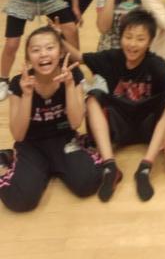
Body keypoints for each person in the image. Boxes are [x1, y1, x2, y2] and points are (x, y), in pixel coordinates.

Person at [62, 8, 165, 202]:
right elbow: (78, 57)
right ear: (120, 37)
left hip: (148, 126)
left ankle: (145, 167)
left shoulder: (154, 63)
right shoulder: (112, 57)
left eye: (140, 39)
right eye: (128, 37)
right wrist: (58, 38)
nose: (133, 44)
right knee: (93, 98)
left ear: (149, 42)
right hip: (119, 124)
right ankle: (110, 166)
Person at [0, 26, 101, 212]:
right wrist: (27, 95)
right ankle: (11, 158)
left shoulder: (73, 75)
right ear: (28, 58)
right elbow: (18, 135)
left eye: (49, 48)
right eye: (36, 50)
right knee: (19, 200)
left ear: (61, 52)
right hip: (32, 144)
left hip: (64, 139)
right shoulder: (19, 83)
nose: (43, 54)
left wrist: (69, 86)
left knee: (88, 183)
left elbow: (75, 123)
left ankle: (53, 166)